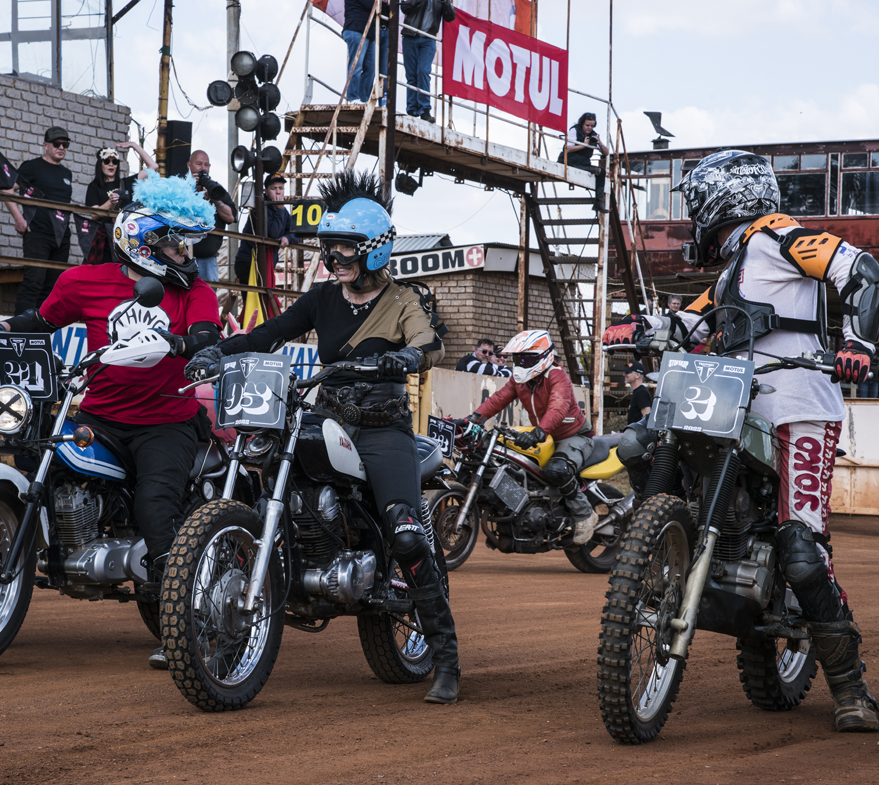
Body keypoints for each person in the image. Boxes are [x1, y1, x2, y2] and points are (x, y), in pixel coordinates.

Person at [603, 149, 879, 733]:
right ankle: (668, 549)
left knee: (801, 551)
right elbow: (691, 322)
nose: (694, 216)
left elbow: (862, 272)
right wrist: (636, 328)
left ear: (724, 197)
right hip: (738, 401)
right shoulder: (734, 268)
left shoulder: (779, 237)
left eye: (697, 202)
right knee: (650, 446)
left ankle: (851, 688)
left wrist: (857, 344)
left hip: (800, 406)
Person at [187, 170, 460, 705]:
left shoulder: (403, 300)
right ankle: (208, 631)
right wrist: (220, 351)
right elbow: (269, 333)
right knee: (267, 484)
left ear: (375, 250)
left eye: (345, 250)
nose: (334, 259)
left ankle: (446, 660)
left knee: (406, 535)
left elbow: (430, 345)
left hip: (382, 428)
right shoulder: (320, 298)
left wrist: (406, 356)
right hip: (328, 416)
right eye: (330, 249)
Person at [0, 174, 222, 670]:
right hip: (99, 417)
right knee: (42, 468)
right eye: (174, 245)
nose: (184, 255)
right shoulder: (82, 281)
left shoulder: (195, 291)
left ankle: (186, 624)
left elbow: (206, 335)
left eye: (185, 245)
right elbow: (41, 322)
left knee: (155, 505)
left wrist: (181, 344)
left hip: (165, 421)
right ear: (142, 244)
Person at [461, 330, 598, 546]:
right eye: (517, 359)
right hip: (544, 435)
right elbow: (498, 399)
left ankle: (585, 514)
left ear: (542, 357)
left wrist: (539, 431)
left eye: (525, 359)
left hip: (573, 436)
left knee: (557, 470)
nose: (520, 364)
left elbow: (558, 407)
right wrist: (473, 419)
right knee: (511, 464)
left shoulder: (557, 376)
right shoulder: (520, 381)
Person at [5, 126, 76, 312]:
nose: (61, 147)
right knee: (33, 281)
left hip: (61, 237)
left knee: (53, 286)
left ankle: (41, 324)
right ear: (46, 145)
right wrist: (19, 218)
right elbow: (7, 189)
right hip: (38, 233)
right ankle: (21, 325)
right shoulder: (32, 167)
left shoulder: (66, 173)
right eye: (57, 144)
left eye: (65, 144)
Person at [83, 142, 156, 265]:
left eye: (115, 161)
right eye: (107, 161)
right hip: (105, 238)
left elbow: (153, 166)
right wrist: (109, 203)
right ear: (100, 164)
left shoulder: (126, 183)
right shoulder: (94, 187)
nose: (111, 164)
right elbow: (94, 215)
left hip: (124, 237)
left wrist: (134, 145)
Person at [401, 0, 455, 122]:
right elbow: (404, 6)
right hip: (410, 36)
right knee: (411, 75)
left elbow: (450, 17)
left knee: (423, 71)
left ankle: (425, 110)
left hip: (428, 39)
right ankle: (412, 109)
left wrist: (446, 1)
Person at [235, 174, 294, 286]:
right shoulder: (259, 209)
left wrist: (288, 237)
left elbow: (295, 232)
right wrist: (280, 210)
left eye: (281, 188)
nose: (278, 192)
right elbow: (273, 233)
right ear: (265, 191)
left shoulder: (283, 211)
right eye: (273, 188)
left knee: (266, 295)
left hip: (267, 264)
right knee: (254, 296)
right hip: (249, 263)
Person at [188, 150, 237, 283]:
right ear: (189, 165)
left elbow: (231, 218)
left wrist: (215, 200)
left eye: (206, 165)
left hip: (208, 259)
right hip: (181, 257)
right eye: (199, 164)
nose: (203, 169)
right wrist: (191, 190)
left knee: (207, 294)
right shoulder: (181, 188)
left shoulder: (215, 189)